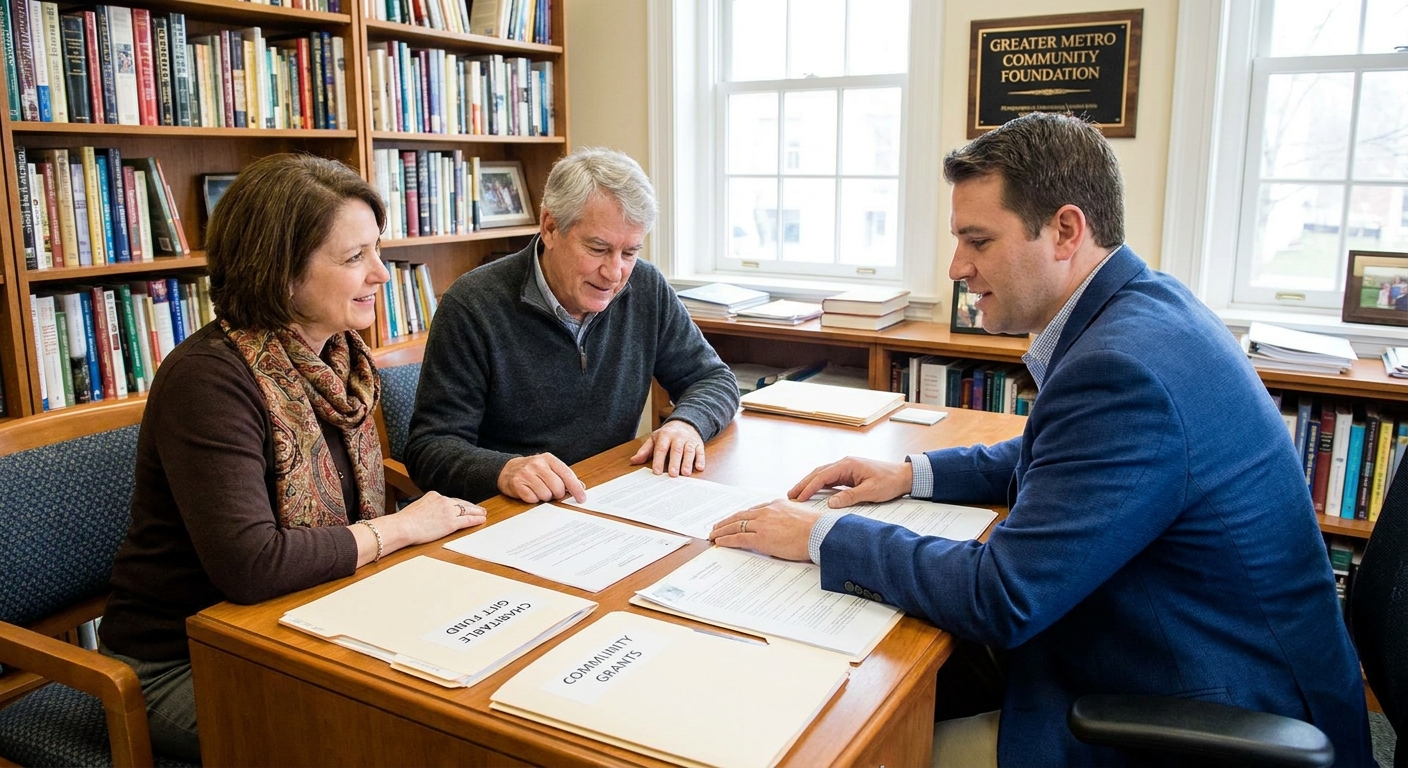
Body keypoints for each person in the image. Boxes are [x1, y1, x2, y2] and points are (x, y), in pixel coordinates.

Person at [709, 113, 1372, 767]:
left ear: (1064, 230)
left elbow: (1003, 596)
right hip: (1187, 654)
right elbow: (1056, 458)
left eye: (978, 240)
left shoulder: (1122, 368)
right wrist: (912, 474)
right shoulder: (1144, 306)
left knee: (861, 744)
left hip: (1202, 709)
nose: (956, 267)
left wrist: (819, 535)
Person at [98, 154, 487, 762]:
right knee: (390, 740)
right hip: (181, 660)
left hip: (310, 619)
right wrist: (399, 528)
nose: (382, 274)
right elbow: (253, 565)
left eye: (375, 249)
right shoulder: (209, 381)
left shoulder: (342, 363)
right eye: (355, 257)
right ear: (280, 274)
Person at [406, 148, 740, 504]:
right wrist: (504, 470)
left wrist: (686, 423)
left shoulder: (645, 287)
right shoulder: (473, 304)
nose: (615, 273)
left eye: (629, 252)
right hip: (511, 513)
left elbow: (713, 379)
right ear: (550, 227)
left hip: (611, 495)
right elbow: (430, 448)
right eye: (598, 249)